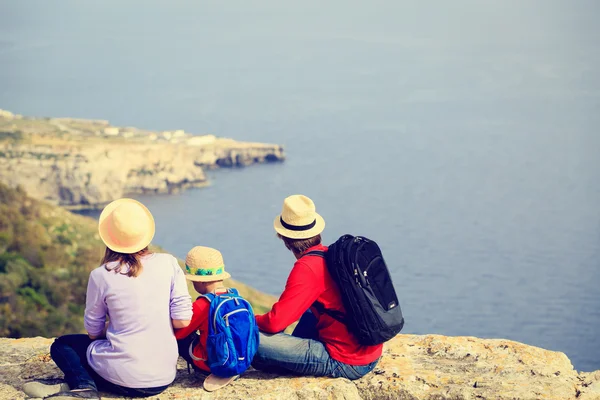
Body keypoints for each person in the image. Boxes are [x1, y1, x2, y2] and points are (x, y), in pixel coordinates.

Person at [23, 198, 192, 400]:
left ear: (109, 238)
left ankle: (84, 386)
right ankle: (79, 388)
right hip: (163, 378)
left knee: (62, 345)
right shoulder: (169, 263)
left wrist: (116, 327)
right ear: (145, 234)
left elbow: (93, 333)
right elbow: (182, 320)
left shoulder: (100, 275)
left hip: (122, 378)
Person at [251, 194, 382, 380]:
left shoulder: (307, 268)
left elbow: (275, 322)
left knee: (245, 335)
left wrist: (250, 319)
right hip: (369, 352)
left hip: (345, 361)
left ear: (283, 237)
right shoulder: (331, 255)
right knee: (311, 311)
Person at [174, 246, 239, 392]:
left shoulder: (203, 304)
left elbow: (179, 334)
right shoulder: (235, 297)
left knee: (180, 337)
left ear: (200, 282)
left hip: (210, 364)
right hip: (238, 360)